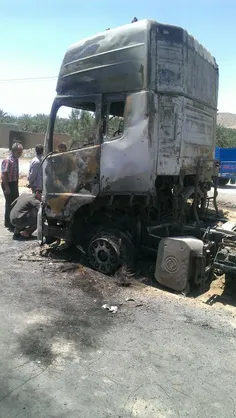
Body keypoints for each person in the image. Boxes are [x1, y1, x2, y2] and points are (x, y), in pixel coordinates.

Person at [1, 142, 23, 230]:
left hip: (14, 183)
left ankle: (11, 222)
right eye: (19, 152)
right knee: (10, 203)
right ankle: (10, 223)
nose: (20, 154)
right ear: (13, 151)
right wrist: (6, 187)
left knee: (14, 202)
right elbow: (4, 174)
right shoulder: (7, 160)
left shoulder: (15, 160)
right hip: (8, 183)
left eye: (21, 152)